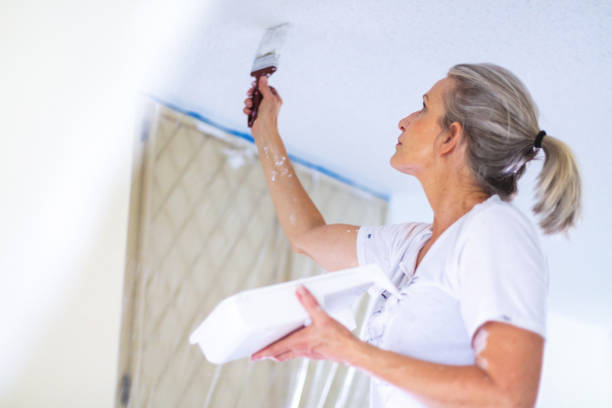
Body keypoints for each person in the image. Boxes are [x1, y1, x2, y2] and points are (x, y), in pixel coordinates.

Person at [242, 63, 582, 407]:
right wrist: (265, 132)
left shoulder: (494, 230)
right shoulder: (411, 245)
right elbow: (307, 235)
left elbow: (509, 396)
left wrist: (349, 350)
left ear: (450, 137)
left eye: (423, 107)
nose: (404, 120)